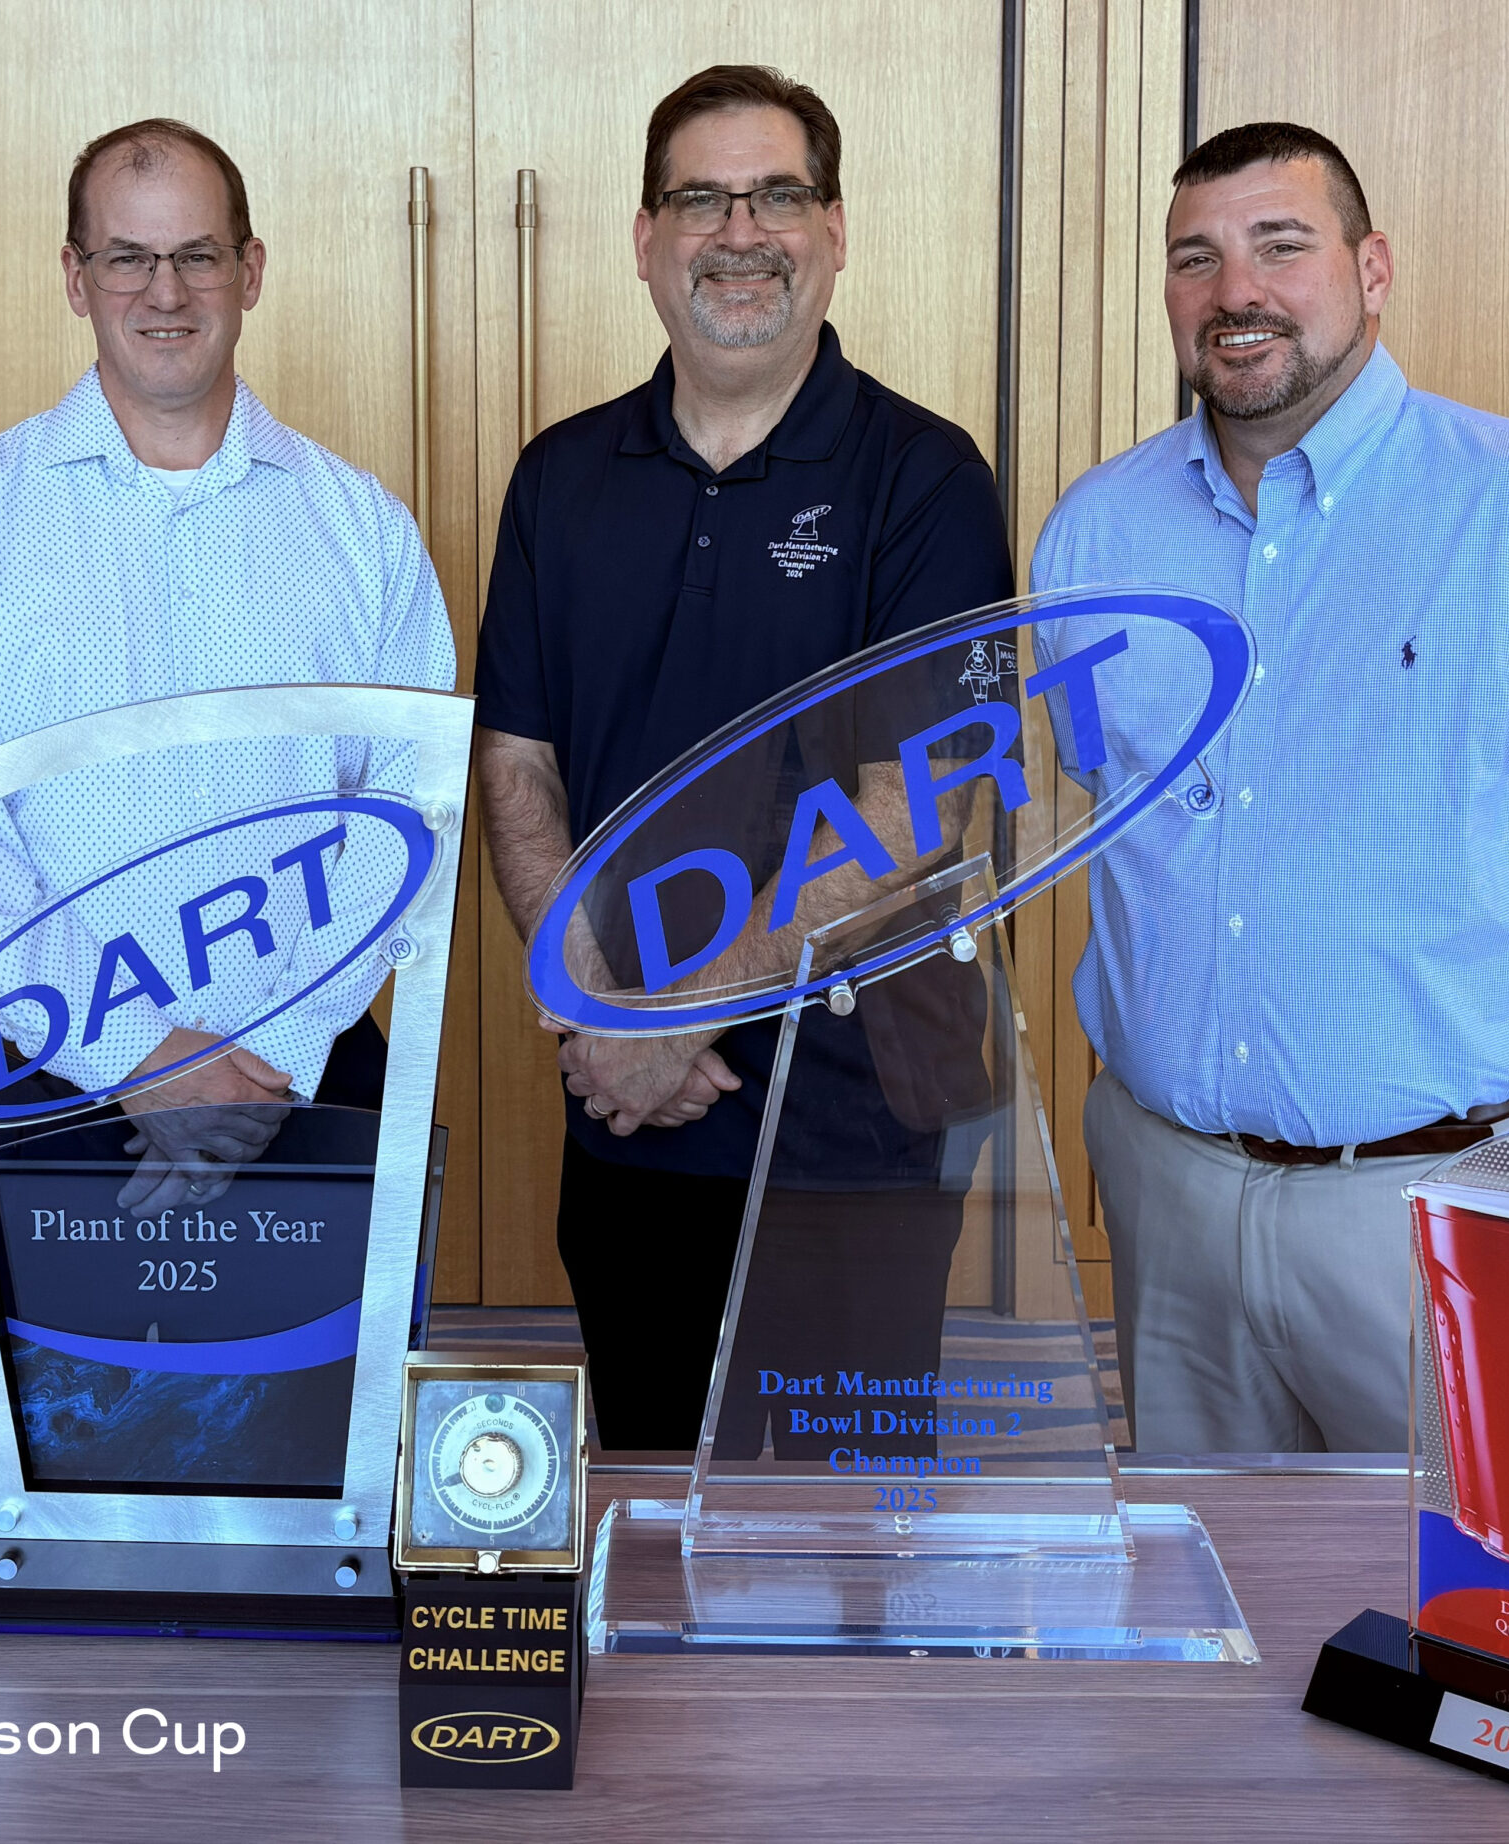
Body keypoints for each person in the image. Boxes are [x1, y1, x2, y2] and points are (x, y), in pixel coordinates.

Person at [1031, 121, 1509, 1455]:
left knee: (1505, 1581)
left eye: (1281, 246)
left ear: (1372, 269)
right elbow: (1099, 784)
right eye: (1196, 258)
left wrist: (1499, 988)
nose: (1236, 291)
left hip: (1470, 1195)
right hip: (1172, 1194)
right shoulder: (1096, 531)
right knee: (1215, 1571)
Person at [0, 118, 457, 1443]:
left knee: (307, 1473)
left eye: (197, 255)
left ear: (252, 269)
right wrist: (137, 1056)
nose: (164, 290)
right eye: (127, 258)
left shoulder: (361, 527)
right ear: (75, 277)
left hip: (297, 1081)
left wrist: (265, 1057)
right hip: (32, 1077)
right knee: (34, 1495)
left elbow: (409, 816)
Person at [473, 66, 1015, 1451]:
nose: (740, 232)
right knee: (649, 1499)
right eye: (701, 199)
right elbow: (520, 767)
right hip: (628, 1113)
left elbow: (922, 809)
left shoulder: (927, 479)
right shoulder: (559, 478)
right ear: (644, 238)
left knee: (845, 1530)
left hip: (857, 1127)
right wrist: (600, 1010)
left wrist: (674, 1017)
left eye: (777, 195)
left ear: (833, 230)